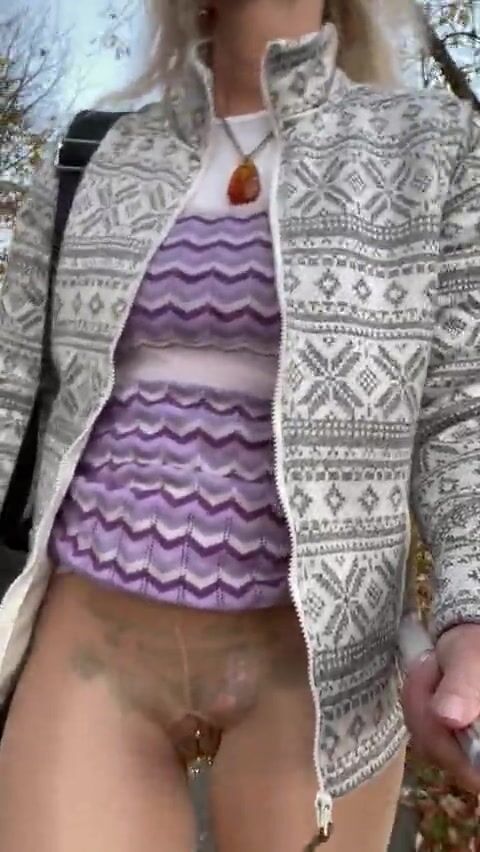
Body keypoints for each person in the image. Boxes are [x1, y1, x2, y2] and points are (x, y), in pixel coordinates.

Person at [1, 0, 480, 850]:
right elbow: (8, 383)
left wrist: (471, 611)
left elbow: (463, 407)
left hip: (323, 676)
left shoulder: (435, 148)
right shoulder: (95, 154)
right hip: (93, 645)